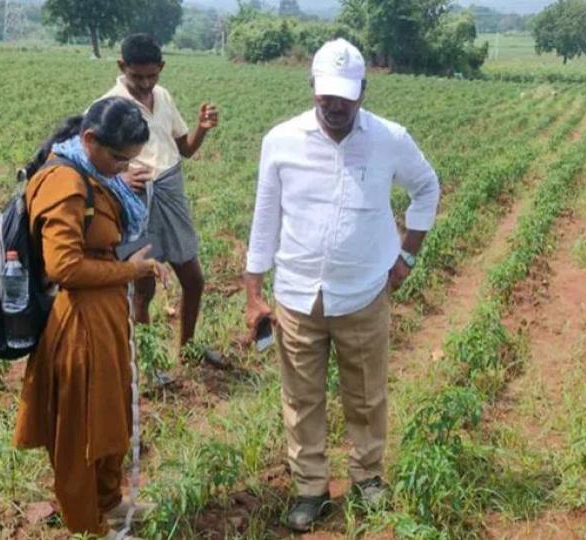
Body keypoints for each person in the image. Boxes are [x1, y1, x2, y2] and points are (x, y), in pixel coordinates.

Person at [244, 38, 441, 532]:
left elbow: (426, 186)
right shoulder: (282, 140)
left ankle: (367, 476)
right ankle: (310, 488)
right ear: (312, 88)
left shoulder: (389, 138)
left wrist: (408, 254)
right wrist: (253, 292)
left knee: (367, 393)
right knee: (301, 397)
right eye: (325, 95)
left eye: (345, 97)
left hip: (363, 292)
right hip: (296, 294)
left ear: (363, 92)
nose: (334, 106)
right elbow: (265, 217)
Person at [13, 97, 167, 539]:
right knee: (80, 432)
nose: (123, 167)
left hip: (104, 315)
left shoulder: (95, 174)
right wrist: (130, 270)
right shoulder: (64, 181)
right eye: (119, 158)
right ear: (89, 140)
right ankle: (87, 527)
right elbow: (64, 266)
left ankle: (111, 505)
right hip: (78, 322)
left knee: (109, 417)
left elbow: (99, 232)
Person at [101, 33, 224, 376]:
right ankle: (147, 365)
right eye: (136, 76)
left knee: (194, 279)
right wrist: (120, 177)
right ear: (121, 66)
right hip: (136, 199)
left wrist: (201, 128)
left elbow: (184, 148)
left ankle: (188, 348)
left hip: (170, 190)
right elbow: (91, 160)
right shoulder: (110, 105)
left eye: (151, 76)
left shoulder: (163, 96)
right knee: (143, 287)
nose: (144, 83)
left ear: (161, 69)